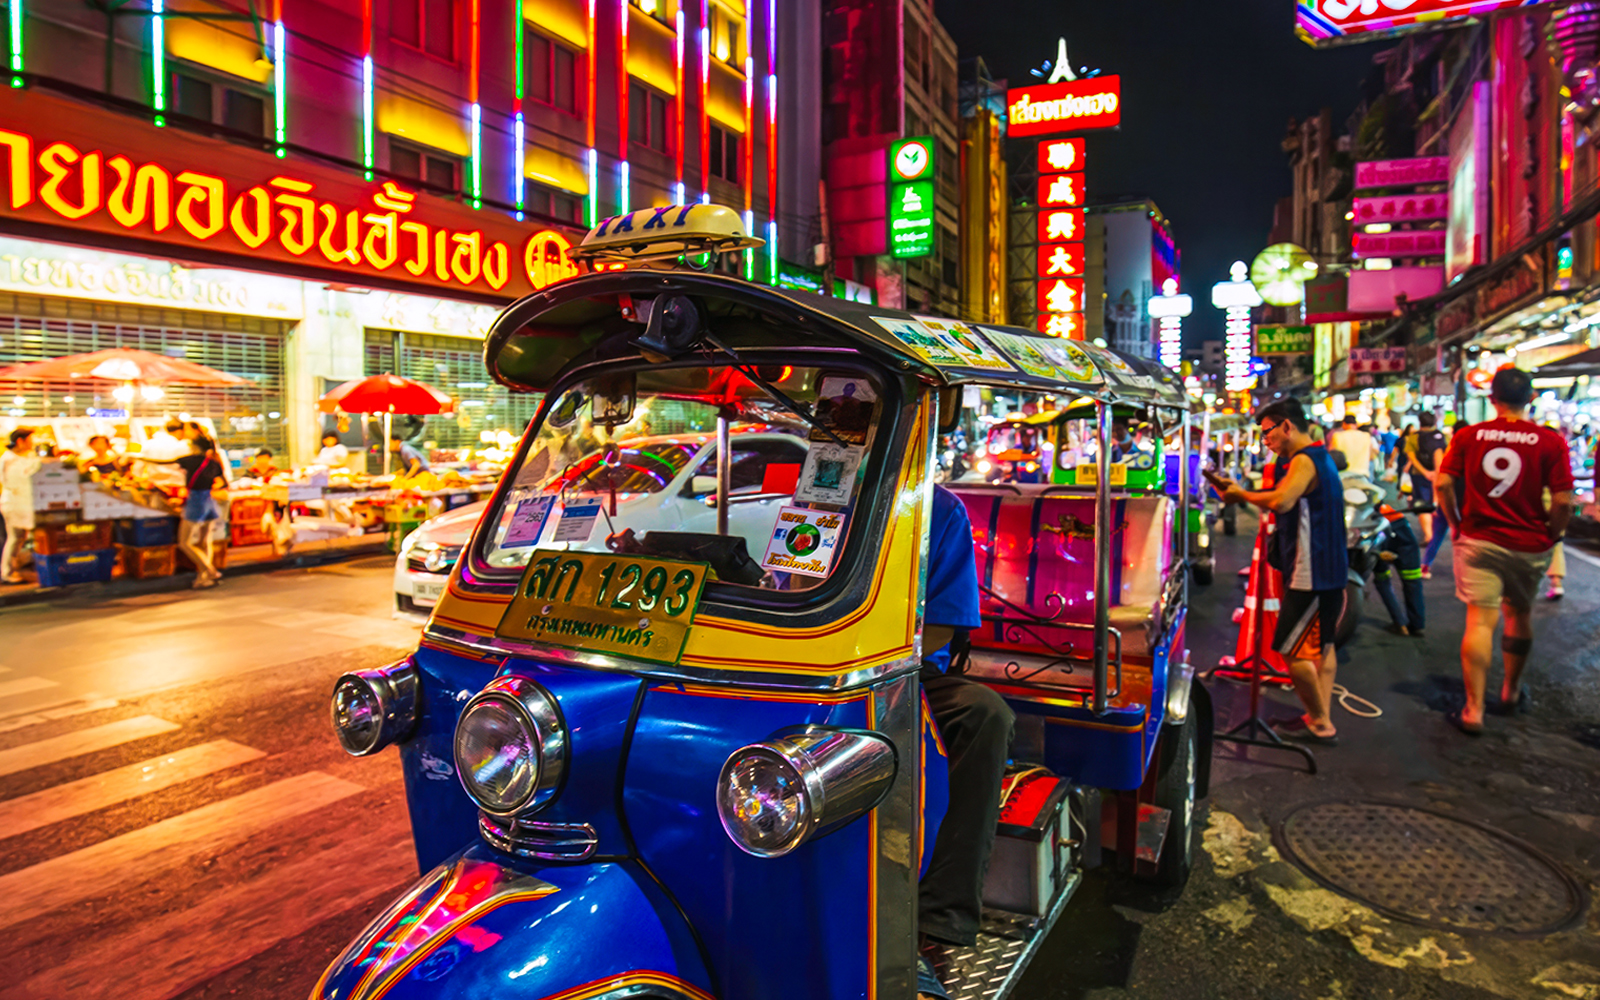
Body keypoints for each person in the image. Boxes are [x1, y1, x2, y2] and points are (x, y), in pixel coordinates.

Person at [1436, 368, 1572, 735]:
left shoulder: (1469, 436)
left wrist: (1454, 521)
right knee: (1520, 614)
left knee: (1480, 621)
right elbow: (1563, 500)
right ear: (1530, 399)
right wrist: (1553, 535)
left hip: (1479, 540)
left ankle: (1474, 710)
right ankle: (1510, 692)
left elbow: (1443, 482)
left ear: (1492, 399)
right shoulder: (1550, 441)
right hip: (1529, 543)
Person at [916, 484, 1012, 1000]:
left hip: (899, 674)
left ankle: (937, 920)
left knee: (983, 714)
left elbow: (942, 628)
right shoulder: (818, 489)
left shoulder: (939, 510)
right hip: (802, 669)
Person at [1217, 398, 1348, 745]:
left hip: (1311, 570)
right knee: (1324, 647)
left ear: (1287, 426)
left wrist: (1240, 493)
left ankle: (1321, 722)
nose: (1266, 441)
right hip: (1331, 568)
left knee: (1290, 650)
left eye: (1268, 433)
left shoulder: (1305, 460)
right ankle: (1319, 717)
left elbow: (1282, 501)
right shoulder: (1320, 457)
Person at [1372, 503, 1425, 637]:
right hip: (1399, 526)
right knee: (1412, 582)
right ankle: (1417, 625)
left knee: (1382, 578)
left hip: (1377, 528)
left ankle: (1400, 623)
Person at [0, 427, 41, 584]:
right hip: (14, 503)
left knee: (20, 537)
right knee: (15, 537)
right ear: (20, 441)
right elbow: (15, 481)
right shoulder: (8, 460)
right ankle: (7, 572)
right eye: (30, 440)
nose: (32, 443)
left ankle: (13, 569)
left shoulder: (24, 457)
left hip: (23, 502)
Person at [1411, 413, 1448, 577]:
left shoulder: (1414, 438)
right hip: (1450, 492)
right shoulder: (1441, 439)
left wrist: (1425, 472)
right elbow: (1439, 465)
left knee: (1438, 531)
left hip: (1423, 477)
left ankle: (1425, 564)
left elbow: (1411, 457)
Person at [1328, 415, 1376, 480]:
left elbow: (1331, 456)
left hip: (1343, 475)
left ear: (1343, 424)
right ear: (1356, 424)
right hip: (1362, 475)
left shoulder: (1337, 436)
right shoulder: (1366, 436)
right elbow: (1371, 457)